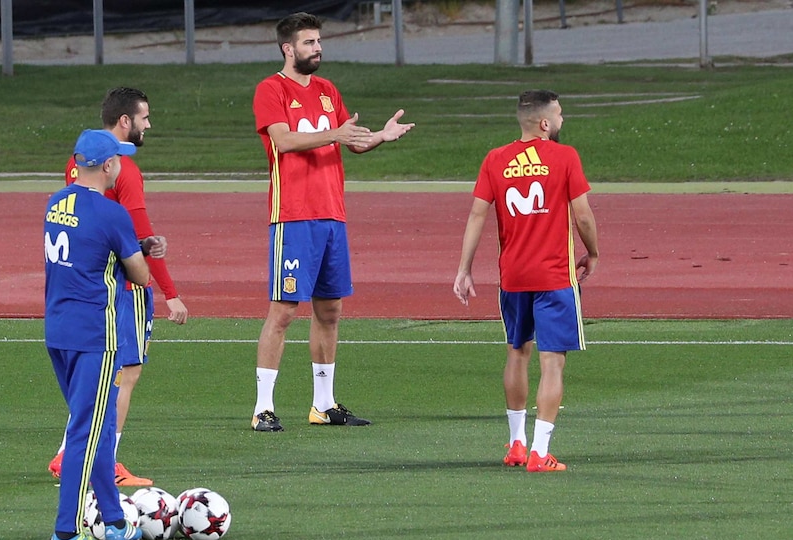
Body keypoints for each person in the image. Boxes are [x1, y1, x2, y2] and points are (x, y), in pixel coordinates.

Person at [250, 12, 414, 432]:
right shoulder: (271, 89)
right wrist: (336, 135)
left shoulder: (327, 91)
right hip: (293, 217)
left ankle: (323, 404)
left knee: (330, 310)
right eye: (309, 42)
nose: (317, 48)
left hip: (331, 216)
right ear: (288, 48)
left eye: (319, 40)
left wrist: (379, 136)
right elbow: (283, 141)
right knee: (284, 310)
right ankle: (262, 408)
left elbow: (350, 140)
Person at [453, 89, 599, 472]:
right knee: (553, 361)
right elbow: (582, 216)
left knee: (517, 352)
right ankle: (539, 451)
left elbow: (476, 215)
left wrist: (464, 269)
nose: (563, 120)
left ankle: (516, 444)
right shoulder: (565, 157)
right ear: (546, 123)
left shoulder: (495, 159)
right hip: (554, 275)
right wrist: (594, 252)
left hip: (513, 275)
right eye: (561, 114)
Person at [48, 87, 188, 486]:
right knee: (126, 372)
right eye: (144, 117)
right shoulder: (124, 168)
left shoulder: (76, 165)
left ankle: (66, 453)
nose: (149, 125)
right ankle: (105, 459)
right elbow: (139, 231)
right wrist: (170, 292)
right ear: (124, 122)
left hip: (83, 286)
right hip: (122, 288)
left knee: (97, 376)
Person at [45, 129, 164, 540]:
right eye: (119, 159)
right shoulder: (114, 215)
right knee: (85, 431)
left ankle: (113, 519)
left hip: (58, 331)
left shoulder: (56, 203)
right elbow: (140, 276)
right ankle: (66, 531)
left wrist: (133, 246)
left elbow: (88, 251)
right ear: (110, 165)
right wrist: (142, 250)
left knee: (96, 425)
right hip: (95, 334)